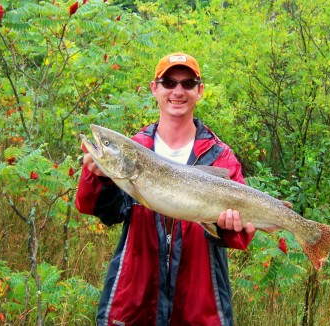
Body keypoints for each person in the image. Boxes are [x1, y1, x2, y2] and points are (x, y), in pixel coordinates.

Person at [75, 52, 257, 326]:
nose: (178, 91)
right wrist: (97, 176)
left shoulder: (220, 156)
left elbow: (239, 237)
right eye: (169, 82)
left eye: (188, 83)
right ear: (155, 88)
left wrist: (230, 228)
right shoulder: (134, 150)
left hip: (200, 308)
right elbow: (101, 210)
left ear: (200, 91)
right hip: (136, 302)